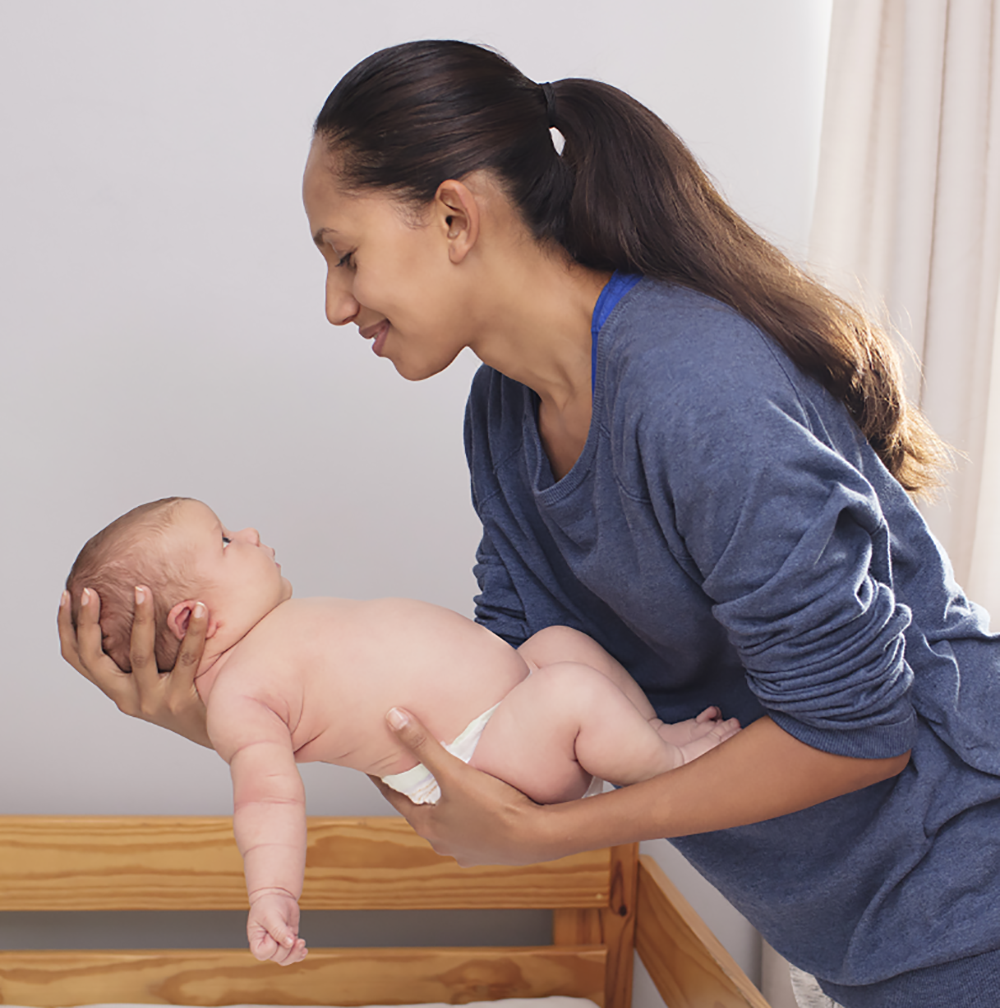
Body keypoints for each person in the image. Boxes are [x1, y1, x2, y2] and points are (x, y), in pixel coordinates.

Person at [57, 39, 1000, 1008]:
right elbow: (489, 729)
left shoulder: (694, 393)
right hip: (868, 942)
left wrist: (551, 839)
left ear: (455, 217)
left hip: (967, 892)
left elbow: (863, 729)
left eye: (345, 256)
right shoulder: (502, 421)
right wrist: (229, 712)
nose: (335, 305)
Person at [65, 495, 739, 965]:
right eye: (224, 542)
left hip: (509, 700)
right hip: (483, 756)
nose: (249, 534)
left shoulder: (269, 640)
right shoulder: (241, 695)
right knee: (573, 691)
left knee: (562, 645)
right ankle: (668, 766)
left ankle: (655, 733)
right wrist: (273, 893)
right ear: (188, 621)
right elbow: (267, 798)